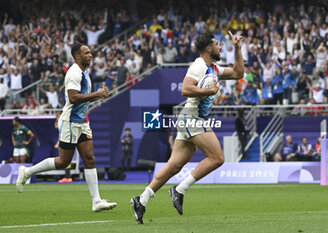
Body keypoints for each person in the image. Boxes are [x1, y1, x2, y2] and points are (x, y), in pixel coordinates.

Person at [130, 31, 244, 224]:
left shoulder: (214, 68)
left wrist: (238, 49)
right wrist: (209, 91)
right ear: (209, 48)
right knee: (217, 158)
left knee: (174, 166)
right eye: (217, 44)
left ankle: (141, 200)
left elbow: (238, 73)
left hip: (189, 118)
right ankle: (179, 189)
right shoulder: (199, 65)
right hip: (192, 117)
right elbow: (185, 89)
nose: (219, 47)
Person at [16, 44, 116, 212]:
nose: (91, 55)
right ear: (77, 56)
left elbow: (83, 99)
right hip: (70, 122)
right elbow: (73, 97)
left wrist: (96, 96)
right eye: (87, 53)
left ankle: (97, 201)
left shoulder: (84, 73)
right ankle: (26, 172)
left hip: (82, 121)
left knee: (89, 158)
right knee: (64, 161)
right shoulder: (74, 73)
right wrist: (97, 94)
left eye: (90, 52)